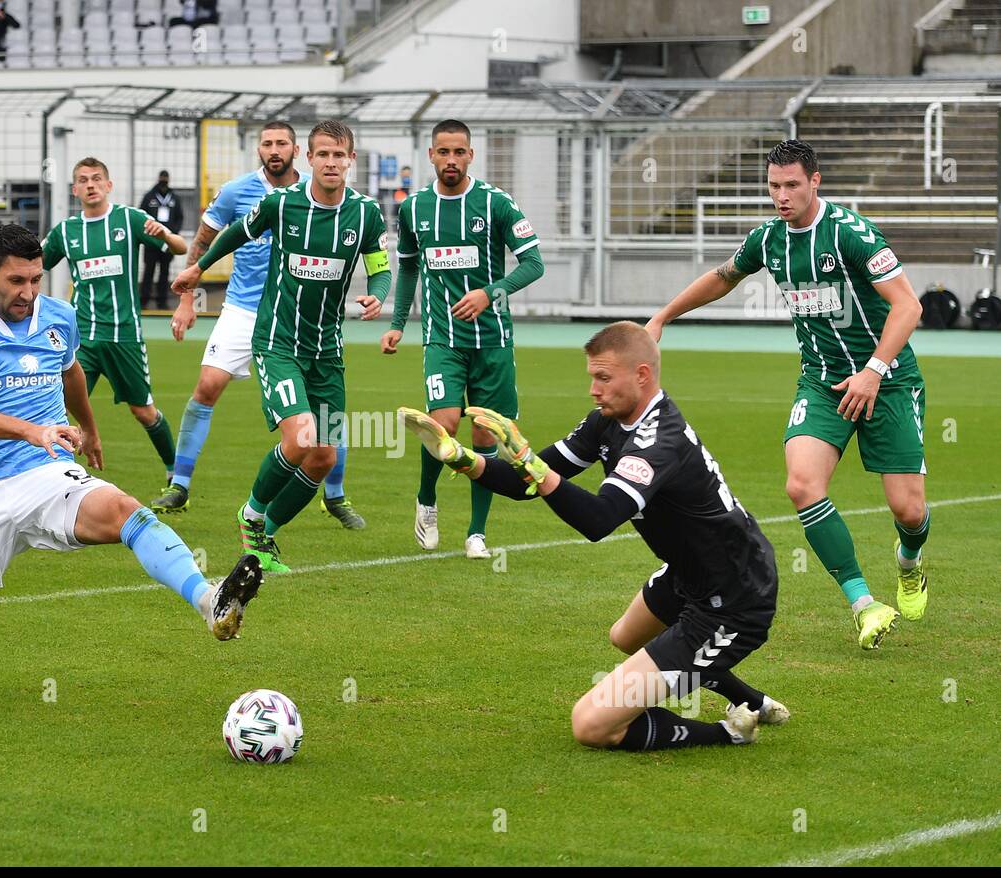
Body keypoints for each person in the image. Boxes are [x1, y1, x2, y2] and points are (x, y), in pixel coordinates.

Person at [402, 321, 790, 751]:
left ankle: (731, 731)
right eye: (592, 376)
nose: (593, 388)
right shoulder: (607, 423)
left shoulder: (658, 441)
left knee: (591, 724)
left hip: (734, 598)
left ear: (641, 375)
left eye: (603, 377)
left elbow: (599, 519)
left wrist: (533, 466)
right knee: (625, 637)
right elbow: (525, 484)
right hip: (690, 573)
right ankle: (750, 700)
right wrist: (461, 458)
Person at [0, 224, 262, 671]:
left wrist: (89, 428)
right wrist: (33, 430)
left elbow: (71, 372)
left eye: (36, 280)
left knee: (125, 510)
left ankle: (208, 600)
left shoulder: (59, 317)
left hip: (46, 473)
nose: (28, 293)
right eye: (16, 281)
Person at [646, 139, 928, 650]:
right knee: (802, 485)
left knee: (908, 511)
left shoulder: (851, 234)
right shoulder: (768, 239)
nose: (782, 196)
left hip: (886, 381)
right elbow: (722, 277)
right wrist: (663, 315)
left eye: (792, 185)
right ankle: (864, 603)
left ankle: (909, 563)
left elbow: (908, 307)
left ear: (815, 182)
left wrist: (873, 369)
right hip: (821, 383)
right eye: (774, 186)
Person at [172, 120, 390, 573]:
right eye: (323, 154)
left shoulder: (367, 213)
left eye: (340, 154)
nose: (331, 162)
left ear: (351, 159)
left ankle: (266, 533)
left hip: (327, 349)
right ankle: (250, 514)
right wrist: (198, 268)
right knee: (302, 436)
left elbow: (380, 265)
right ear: (308, 159)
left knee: (324, 455)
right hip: (278, 342)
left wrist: (379, 293)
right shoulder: (282, 204)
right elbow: (235, 233)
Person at [386, 118, 545, 559]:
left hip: (493, 339)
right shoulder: (414, 208)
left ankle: (476, 533)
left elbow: (533, 263)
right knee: (444, 424)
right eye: (443, 152)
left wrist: (490, 292)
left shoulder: (495, 203)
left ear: (470, 155)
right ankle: (427, 499)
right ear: (431, 155)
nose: (451, 159)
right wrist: (398, 322)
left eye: (459, 152)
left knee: (485, 434)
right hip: (443, 338)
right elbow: (409, 268)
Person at [42, 157, 187, 487]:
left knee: (144, 412)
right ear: (75, 189)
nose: (90, 185)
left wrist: (164, 231)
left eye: (96, 179)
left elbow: (179, 247)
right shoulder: (66, 232)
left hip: (125, 337)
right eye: (83, 180)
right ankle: (55, 482)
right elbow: (36, 266)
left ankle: (176, 477)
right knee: (57, 411)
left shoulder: (129, 219)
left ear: (108, 185)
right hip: (81, 341)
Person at [138, 170, 184, 310]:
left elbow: (179, 217)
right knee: (149, 271)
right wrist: (146, 235)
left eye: (165, 178)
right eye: (162, 178)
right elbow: (142, 215)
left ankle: (162, 301)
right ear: (158, 179)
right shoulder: (149, 196)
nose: (163, 180)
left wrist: (173, 234)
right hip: (152, 242)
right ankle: (143, 301)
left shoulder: (174, 198)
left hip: (168, 242)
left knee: (165, 271)